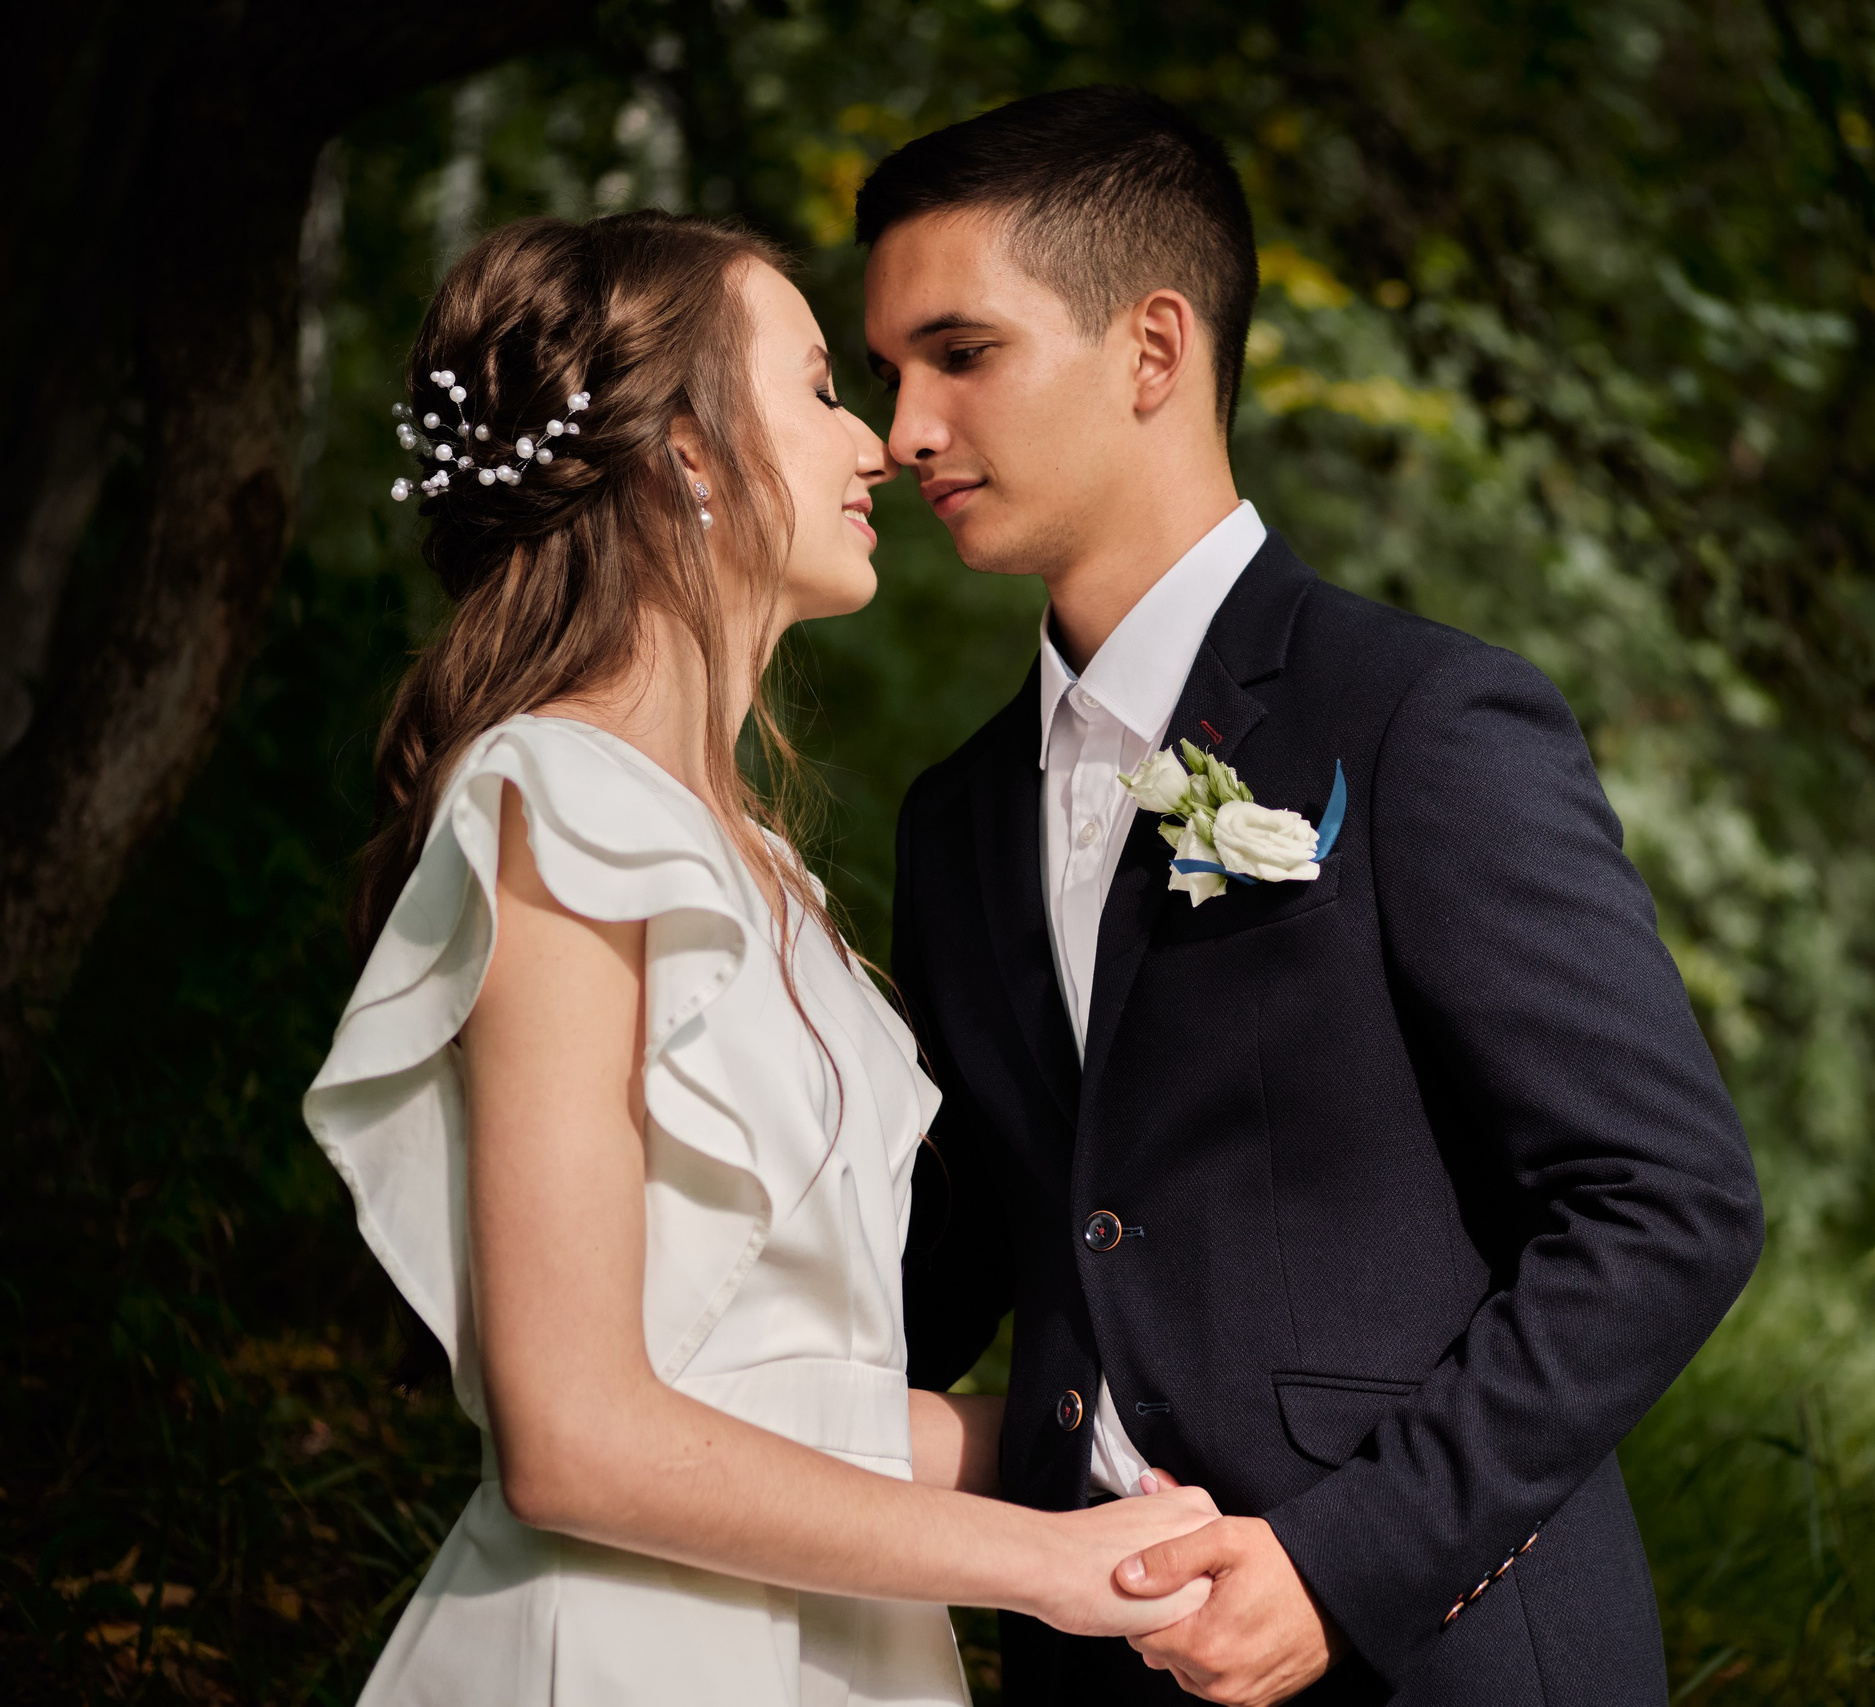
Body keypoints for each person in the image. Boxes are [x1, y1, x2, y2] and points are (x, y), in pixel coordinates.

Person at [867, 88, 1766, 1707]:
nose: (903, 429)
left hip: (1439, 1657)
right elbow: (957, 1272)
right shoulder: (953, 825)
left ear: (1153, 351)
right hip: (1084, 1662)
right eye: (888, 376)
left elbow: (1668, 1202)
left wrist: (1346, 1559)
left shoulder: (1422, 719)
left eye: (961, 354)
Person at [301, 210, 1219, 1707]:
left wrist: (1139, 1424)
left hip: (834, 1646)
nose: (880, 448)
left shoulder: (765, 870)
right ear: (688, 452)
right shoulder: (557, 808)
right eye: (818, 388)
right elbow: (576, 1437)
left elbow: (804, 1390)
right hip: (626, 1654)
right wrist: (1047, 1568)